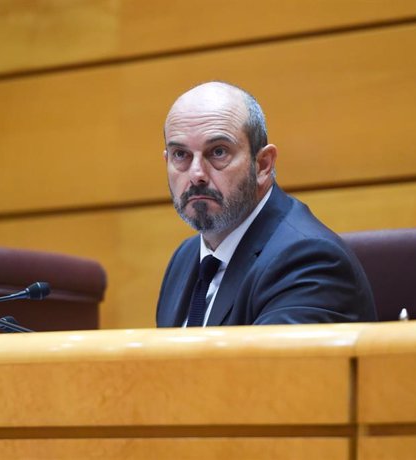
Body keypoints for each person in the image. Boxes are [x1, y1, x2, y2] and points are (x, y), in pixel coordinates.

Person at [156, 81, 376, 327]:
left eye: (218, 152)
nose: (196, 174)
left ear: (262, 165)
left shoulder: (308, 262)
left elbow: (263, 367)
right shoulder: (186, 258)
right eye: (180, 155)